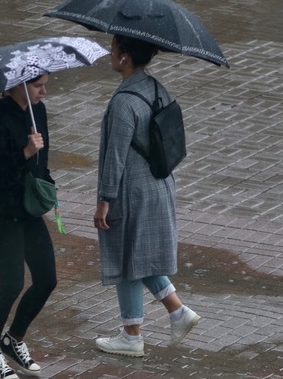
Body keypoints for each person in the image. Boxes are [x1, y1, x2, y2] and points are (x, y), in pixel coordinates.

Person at [93, 35, 201, 357]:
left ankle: (131, 336)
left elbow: (115, 157)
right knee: (140, 256)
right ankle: (178, 313)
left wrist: (104, 200)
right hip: (160, 184)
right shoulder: (156, 88)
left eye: (113, 50)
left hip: (133, 192)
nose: (110, 54)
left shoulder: (124, 102)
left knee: (127, 259)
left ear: (125, 58)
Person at [0, 73, 57, 378]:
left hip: (27, 209)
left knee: (47, 279)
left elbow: (42, 162)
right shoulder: (0, 117)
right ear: (17, 87)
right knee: (11, 283)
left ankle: (14, 340)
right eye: (38, 85)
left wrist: (46, 185)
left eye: (45, 84)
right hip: (0, 213)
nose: (44, 91)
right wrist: (24, 152)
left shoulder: (39, 111)